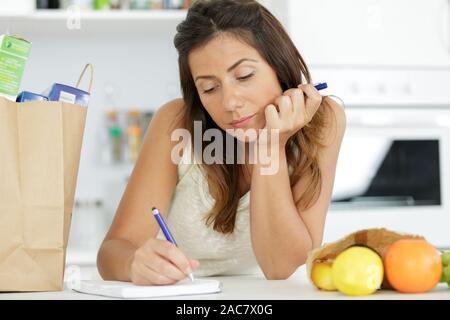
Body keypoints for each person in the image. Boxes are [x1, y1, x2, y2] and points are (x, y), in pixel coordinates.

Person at [97, 0, 346, 285]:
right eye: (210, 88)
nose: (230, 103)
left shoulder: (323, 120)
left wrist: (270, 146)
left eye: (244, 76)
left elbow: (280, 267)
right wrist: (133, 263)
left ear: (279, 66)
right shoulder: (176, 123)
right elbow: (112, 251)